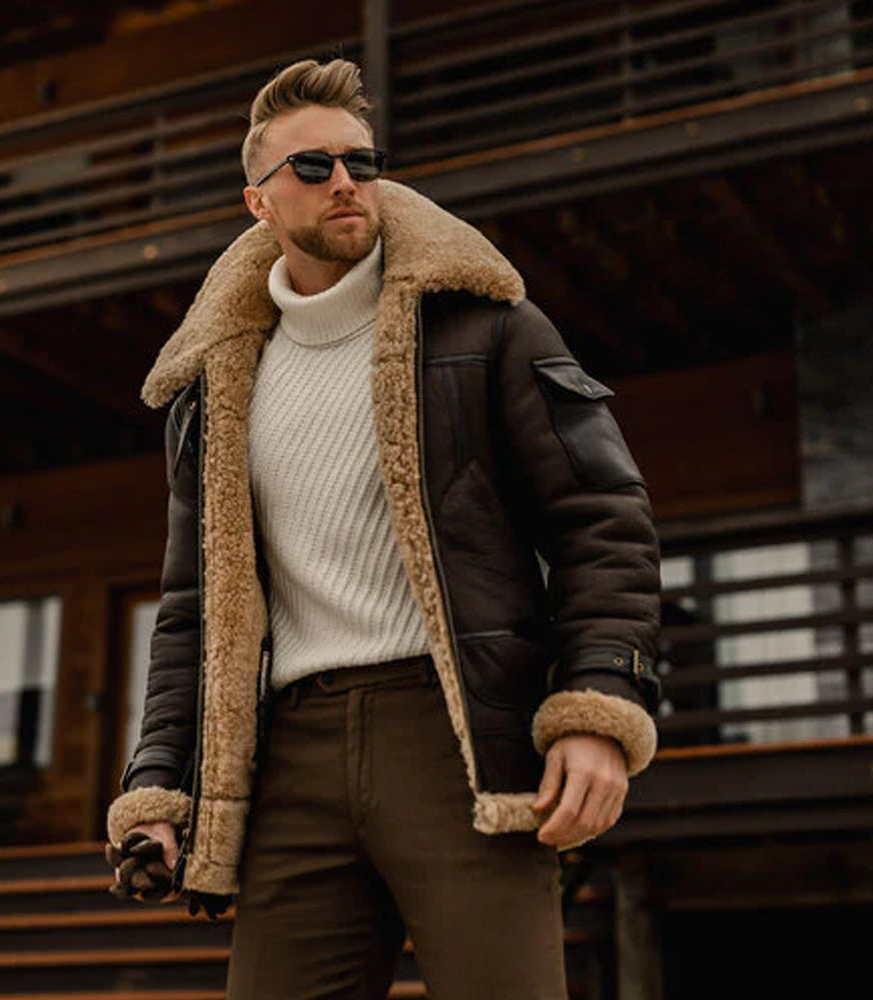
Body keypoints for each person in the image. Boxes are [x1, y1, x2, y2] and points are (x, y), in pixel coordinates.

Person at [106, 58, 661, 1000]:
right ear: (258, 201)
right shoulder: (212, 388)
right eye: (313, 167)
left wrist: (601, 707)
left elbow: (601, 520)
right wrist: (161, 785)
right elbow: (192, 610)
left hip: (455, 739)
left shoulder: (487, 325)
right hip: (289, 760)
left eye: (363, 160)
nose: (347, 181)